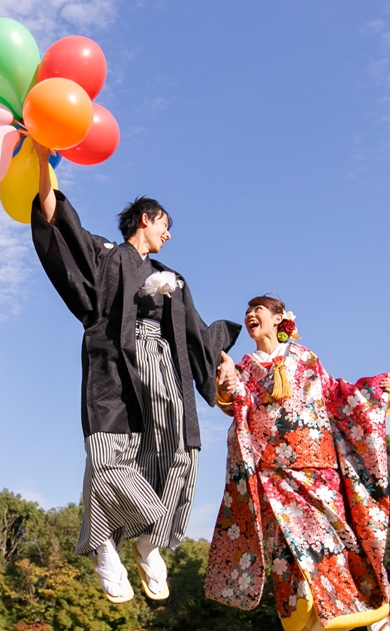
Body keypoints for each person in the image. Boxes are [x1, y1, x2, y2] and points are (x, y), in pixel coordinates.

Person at [30, 142, 241, 603]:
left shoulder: (174, 278)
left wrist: (223, 362)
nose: (169, 235)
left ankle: (148, 543)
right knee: (108, 459)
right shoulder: (107, 255)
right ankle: (105, 546)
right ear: (146, 218)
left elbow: (198, 333)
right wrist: (43, 160)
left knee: (180, 457)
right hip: (115, 366)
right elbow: (55, 219)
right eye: (166, 225)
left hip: (165, 373)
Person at [205, 295, 390, 631]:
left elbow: (336, 395)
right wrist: (225, 382)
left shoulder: (306, 358)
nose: (250, 315)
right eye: (248, 311)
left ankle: (375, 612)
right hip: (272, 475)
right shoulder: (243, 367)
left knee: (337, 544)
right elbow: (233, 401)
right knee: (288, 560)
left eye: (259, 309)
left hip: (316, 468)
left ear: (279, 319)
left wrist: (374, 391)